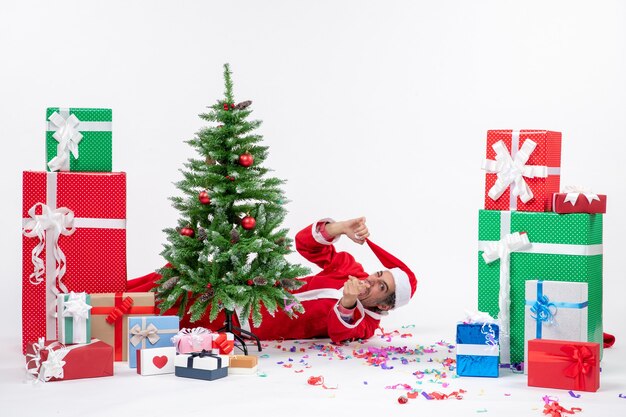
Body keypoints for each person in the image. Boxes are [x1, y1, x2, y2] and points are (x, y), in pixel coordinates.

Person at [127, 217, 417, 343]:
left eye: (382, 287)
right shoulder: (348, 268)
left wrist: (348, 301)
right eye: (379, 274)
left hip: (245, 323)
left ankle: (113, 325)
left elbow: (339, 332)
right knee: (175, 280)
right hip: (246, 286)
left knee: (179, 315)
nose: (371, 280)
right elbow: (306, 244)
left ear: (384, 306)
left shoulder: (365, 325)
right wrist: (338, 227)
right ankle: (103, 300)